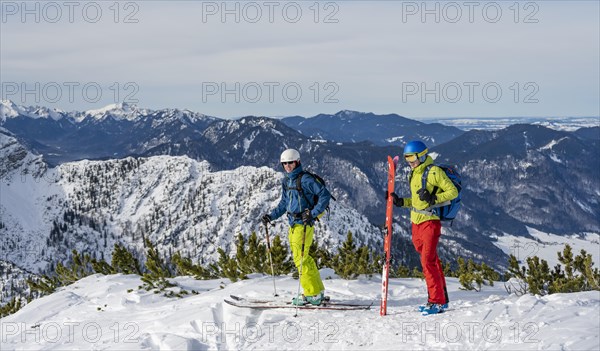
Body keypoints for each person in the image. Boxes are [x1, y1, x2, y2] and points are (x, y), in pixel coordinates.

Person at [390, 140, 458, 315]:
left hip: (430, 222)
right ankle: (442, 300)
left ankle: (435, 301)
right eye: (406, 158)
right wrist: (401, 202)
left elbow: (452, 192)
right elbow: (417, 202)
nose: (409, 161)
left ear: (421, 155)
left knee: (427, 261)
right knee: (432, 261)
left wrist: (433, 199)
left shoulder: (433, 171)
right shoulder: (413, 174)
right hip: (416, 222)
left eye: (412, 157)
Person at [262, 148, 332, 306]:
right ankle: (317, 290)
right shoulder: (286, 181)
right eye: (284, 163)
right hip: (293, 224)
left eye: (290, 163)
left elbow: (324, 195)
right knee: (305, 258)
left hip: (304, 224)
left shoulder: (305, 179)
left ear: (297, 162)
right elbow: (284, 203)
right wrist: (271, 216)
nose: (287, 166)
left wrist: (313, 214)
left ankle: (311, 294)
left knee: (300, 259)